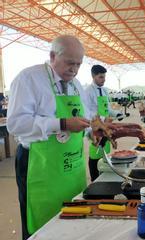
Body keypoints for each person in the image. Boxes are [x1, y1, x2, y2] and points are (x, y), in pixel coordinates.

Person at [7, 35, 90, 239]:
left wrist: (93, 130)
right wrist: (61, 124)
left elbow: (84, 118)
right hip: (39, 163)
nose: (74, 69)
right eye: (70, 63)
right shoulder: (29, 79)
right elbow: (16, 123)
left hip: (71, 165)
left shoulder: (76, 84)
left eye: (79, 64)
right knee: (40, 222)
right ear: (53, 56)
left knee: (72, 215)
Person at [85, 65, 123, 182]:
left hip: (106, 127)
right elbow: (85, 112)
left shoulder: (105, 91)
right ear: (93, 76)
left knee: (105, 155)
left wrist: (117, 114)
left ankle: (104, 178)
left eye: (104, 77)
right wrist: (97, 123)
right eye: (101, 77)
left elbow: (108, 109)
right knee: (95, 154)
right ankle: (94, 180)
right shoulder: (88, 92)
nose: (103, 79)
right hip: (95, 129)